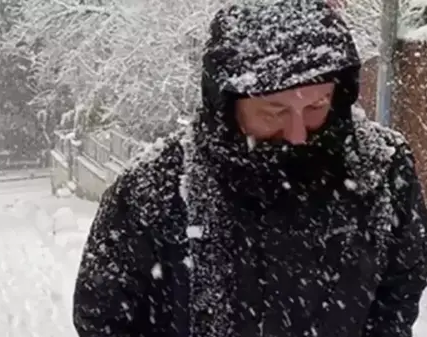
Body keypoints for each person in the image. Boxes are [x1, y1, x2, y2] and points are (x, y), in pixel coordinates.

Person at [72, 1, 427, 337]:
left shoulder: (382, 169)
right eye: (274, 112)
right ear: (225, 104)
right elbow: (103, 318)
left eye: (318, 105)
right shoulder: (152, 191)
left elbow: (399, 291)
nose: (298, 134)